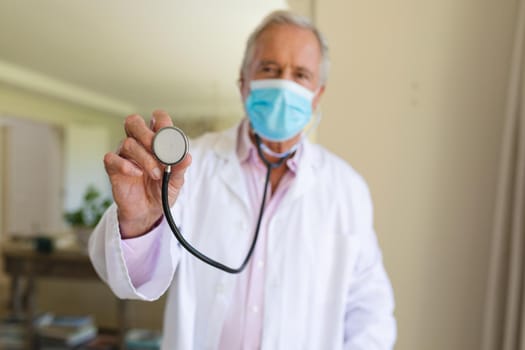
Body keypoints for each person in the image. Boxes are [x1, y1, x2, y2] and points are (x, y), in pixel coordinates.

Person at [89, 10, 396, 350]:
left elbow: (370, 310)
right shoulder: (191, 166)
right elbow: (127, 277)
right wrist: (140, 223)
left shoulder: (346, 189)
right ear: (243, 82)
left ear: (318, 94)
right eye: (269, 69)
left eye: (301, 74)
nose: (284, 84)